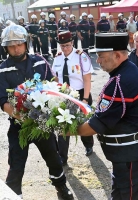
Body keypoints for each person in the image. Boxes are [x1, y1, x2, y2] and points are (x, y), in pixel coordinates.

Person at [0, 24, 74, 200]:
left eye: (19, 44)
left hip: (42, 124)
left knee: (53, 158)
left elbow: (53, 85)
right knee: (16, 163)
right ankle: (15, 195)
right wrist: (24, 117)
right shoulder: (1, 70)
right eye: (11, 46)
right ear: (5, 47)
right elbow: (4, 103)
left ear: (26, 43)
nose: (16, 49)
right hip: (19, 125)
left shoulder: (39, 61)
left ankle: (61, 188)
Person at [75, 32, 138, 199]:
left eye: (100, 56)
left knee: (131, 195)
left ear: (117, 55)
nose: (97, 61)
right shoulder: (128, 70)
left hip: (130, 155)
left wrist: (67, 130)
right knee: (137, 193)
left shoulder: (120, 82)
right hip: (132, 153)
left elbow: (96, 125)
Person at [52, 31, 94, 165]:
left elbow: (87, 80)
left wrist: (85, 100)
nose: (65, 49)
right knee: (63, 125)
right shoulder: (57, 58)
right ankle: (62, 156)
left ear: (72, 43)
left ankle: (88, 145)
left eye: (68, 45)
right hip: (64, 95)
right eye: (62, 46)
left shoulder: (81, 57)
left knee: (83, 124)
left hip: (81, 94)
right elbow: (56, 78)